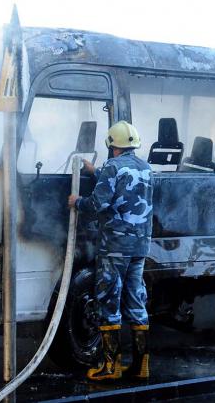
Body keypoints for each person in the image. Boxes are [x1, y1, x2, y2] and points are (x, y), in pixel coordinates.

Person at [67, 120, 153, 381]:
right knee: (136, 301)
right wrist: (96, 172)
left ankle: (110, 366)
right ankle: (141, 366)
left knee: (108, 302)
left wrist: (77, 201)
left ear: (111, 144)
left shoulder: (113, 167)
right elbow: (124, 190)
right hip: (140, 246)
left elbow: (98, 203)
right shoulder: (146, 168)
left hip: (115, 247)